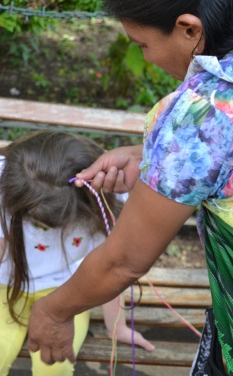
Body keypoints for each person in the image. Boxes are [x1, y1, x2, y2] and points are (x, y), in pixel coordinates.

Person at [27, 0, 233, 375]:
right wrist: (150, 157)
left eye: (143, 45)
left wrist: (53, 312)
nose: (148, 58)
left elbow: (123, 261)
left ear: (189, 27)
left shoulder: (205, 110)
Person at [0, 131, 154, 376]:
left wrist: (117, 328)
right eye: (35, 222)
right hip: (7, 287)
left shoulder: (105, 198)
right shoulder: (8, 181)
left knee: (55, 367)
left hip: (68, 294)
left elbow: (109, 268)